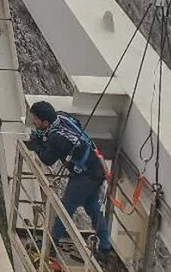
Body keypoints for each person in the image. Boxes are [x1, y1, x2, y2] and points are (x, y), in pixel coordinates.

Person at [26, 100, 112, 262]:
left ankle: (51, 244)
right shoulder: (61, 117)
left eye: (36, 120)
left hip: (85, 176)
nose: (34, 122)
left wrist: (36, 144)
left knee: (65, 209)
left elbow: (47, 159)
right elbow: (76, 125)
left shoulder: (56, 138)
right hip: (94, 168)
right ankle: (105, 248)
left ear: (45, 122)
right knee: (92, 207)